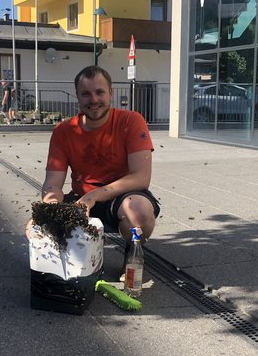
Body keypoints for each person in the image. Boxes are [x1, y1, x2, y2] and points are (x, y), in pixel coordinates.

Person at [25, 65, 160, 276]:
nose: (93, 99)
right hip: (81, 197)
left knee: (139, 212)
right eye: (86, 94)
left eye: (99, 92)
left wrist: (94, 195)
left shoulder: (131, 121)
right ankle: (65, 265)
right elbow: (53, 183)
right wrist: (49, 207)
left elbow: (141, 178)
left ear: (111, 93)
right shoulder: (64, 131)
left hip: (122, 195)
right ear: (77, 97)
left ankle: (133, 251)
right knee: (38, 223)